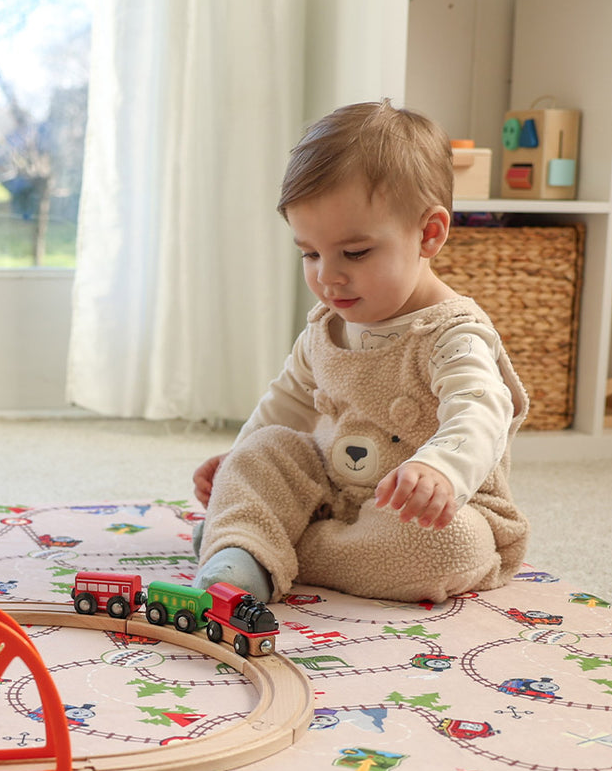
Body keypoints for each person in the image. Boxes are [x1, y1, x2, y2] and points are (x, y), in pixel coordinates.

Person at [192, 101, 530, 606]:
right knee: (264, 453)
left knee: (453, 546)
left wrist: (440, 470)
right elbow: (286, 403)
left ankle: (259, 543)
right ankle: (249, 536)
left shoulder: (452, 334)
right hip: (333, 491)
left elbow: (481, 413)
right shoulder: (326, 326)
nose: (328, 276)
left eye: (354, 253)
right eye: (310, 253)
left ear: (429, 234)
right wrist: (237, 461)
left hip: (423, 511)